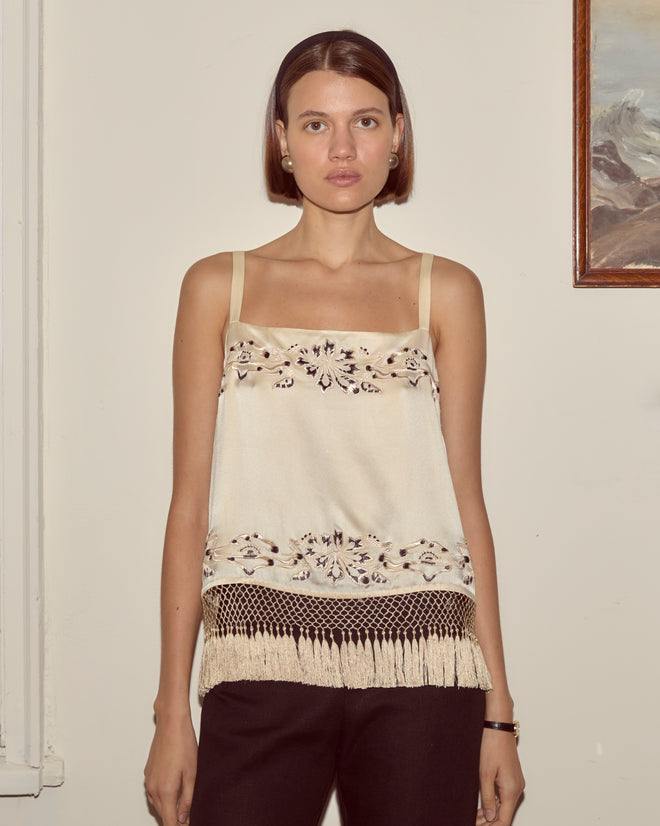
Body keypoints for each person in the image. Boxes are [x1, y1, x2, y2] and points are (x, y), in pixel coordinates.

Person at [144, 29, 525, 826]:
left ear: (398, 136)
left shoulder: (447, 291)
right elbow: (188, 509)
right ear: (282, 143)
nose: (342, 147)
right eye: (316, 124)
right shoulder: (219, 286)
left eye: (367, 121)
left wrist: (498, 715)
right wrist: (172, 717)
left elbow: (465, 506)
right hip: (260, 658)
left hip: (424, 669)